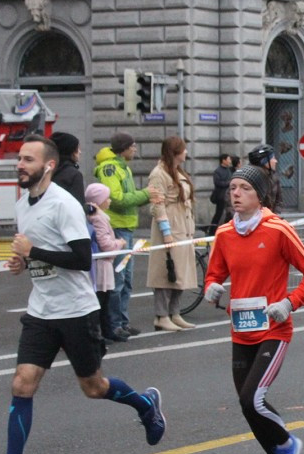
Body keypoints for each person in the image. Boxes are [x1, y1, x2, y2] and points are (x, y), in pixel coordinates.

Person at [0, 135, 166, 454]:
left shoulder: (65, 205)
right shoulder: (22, 205)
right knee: (22, 383)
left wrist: (33, 251)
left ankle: (145, 404)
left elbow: (80, 258)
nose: (20, 165)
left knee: (93, 387)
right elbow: (38, 254)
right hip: (42, 310)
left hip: (77, 310)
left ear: (49, 165)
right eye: (20, 158)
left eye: (28, 159)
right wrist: (22, 262)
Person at [202, 164, 304, 454]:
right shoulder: (225, 234)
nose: (236, 194)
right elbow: (215, 273)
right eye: (232, 189)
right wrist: (212, 286)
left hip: (274, 327)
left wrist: (289, 303)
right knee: (247, 405)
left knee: (252, 398)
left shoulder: (278, 230)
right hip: (241, 328)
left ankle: (287, 446)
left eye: (244, 188)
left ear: (260, 195)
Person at [94, 132, 160, 340]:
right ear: (123, 148)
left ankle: (122, 321)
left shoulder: (123, 168)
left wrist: (145, 197)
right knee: (118, 280)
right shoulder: (110, 168)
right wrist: (145, 194)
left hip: (126, 227)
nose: (135, 149)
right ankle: (114, 326)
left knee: (126, 279)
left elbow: (126, 199)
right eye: (132, 146)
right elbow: (117, 199)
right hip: (117, 228)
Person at [147, 136, 198, 331]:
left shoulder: (177, 171)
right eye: (183, 149)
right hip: (169, 227)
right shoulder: (159, 173)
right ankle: (161, 315)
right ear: (175, 152)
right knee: (165, 272)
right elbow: (157, 204)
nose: (186, 153)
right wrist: (166, 232)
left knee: (180, 273)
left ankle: (174, 313)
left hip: (183, 227)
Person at [85, 182, 125, 345]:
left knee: (103, 300)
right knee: (102, 300)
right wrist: (119, 243)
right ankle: (102, 332)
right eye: (107, 198)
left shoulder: (94, 216)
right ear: (99, 200)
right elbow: (105, 244)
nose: (109, 201)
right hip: (102, 264)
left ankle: (105, 331)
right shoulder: (99, 218)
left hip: (101, 263)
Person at [50, 131, 85, 209]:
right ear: (70, 150)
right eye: (77, 149)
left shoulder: (47, 170)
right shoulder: (74, 175)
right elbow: (78, 205)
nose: (80, 152)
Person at [246, 144, 283, 212]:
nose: (276, 161)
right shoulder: (247, 178)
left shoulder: (274, 177)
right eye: (273, 158)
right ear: (264, 161)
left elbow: (278, 201)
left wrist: (275, 216)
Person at [209, 153, 233, 234]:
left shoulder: (229, 170)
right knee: (218, 214)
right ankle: (212, 231)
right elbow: (218, 183)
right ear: (223, 160)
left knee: (228, 214)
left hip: (228, 196)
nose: (230, 161)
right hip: (220, 196)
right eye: (228, 159)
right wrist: (229, 183)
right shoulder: (217, 171)